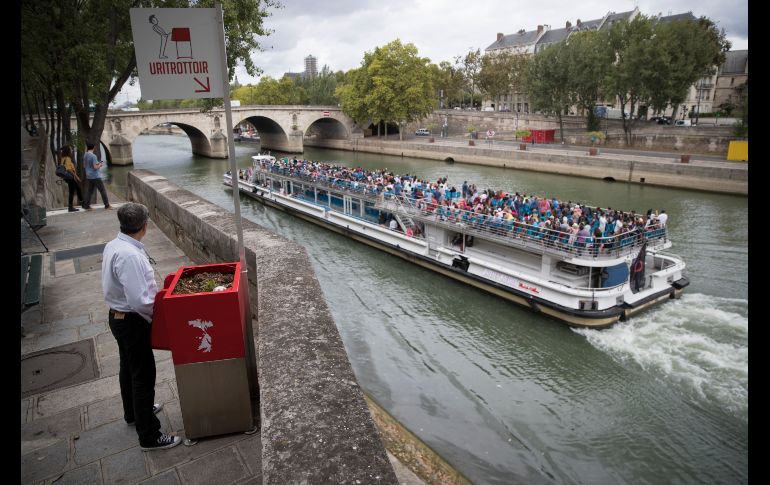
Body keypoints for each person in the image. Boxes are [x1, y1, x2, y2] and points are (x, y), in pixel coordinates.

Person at [102, 203, 181, 451]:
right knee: (143, 376)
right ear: (145, 226)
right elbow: (140, 301)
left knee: (128, 368)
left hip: (117, 317)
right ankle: (149, 435)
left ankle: (133, 413)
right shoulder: (130, 255)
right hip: (132, 320)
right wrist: (155, 318)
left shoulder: (114, 245)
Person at [82, 143, 112, 210]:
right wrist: (100, 165)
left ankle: (86, 206)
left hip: (89, 176)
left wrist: (96, 164)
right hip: (95, 176)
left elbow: (84, 166)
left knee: (90, 191)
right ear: (94, 147)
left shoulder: (85, 155)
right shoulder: (93, 156)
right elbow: (95, 167)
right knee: (102, 190)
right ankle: (107, 205)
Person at [60, 145, 83, 212]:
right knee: (72, 192)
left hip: (67, 177)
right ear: (68, 151)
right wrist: (76, 176)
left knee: (77, 188)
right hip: (70, 177)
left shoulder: (63, 158)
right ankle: (71, 207)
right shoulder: (67, 159)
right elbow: (69, 169)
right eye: (71, 149)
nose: (72, 151)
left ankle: (82, 202)